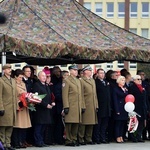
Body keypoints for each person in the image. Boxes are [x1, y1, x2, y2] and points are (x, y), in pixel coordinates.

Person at [62, 65, 83, 146]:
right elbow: (65, 95)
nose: (76, 71)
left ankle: (74, 139)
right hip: (71, 105)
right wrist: (66, 106)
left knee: (76, 123)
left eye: (76, 70)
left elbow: (80, 94)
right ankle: (68, 140)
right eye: (74, 70)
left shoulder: (78, 81)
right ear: (70, 71)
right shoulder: (66, 81)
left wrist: (81, 105)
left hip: (77, 106)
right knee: (69, 124)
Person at [32, 71, 54, 147]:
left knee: (44, 126)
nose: (44, 77)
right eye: (42, 76)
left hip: (46, 109)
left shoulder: (46, 85)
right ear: (38, 77)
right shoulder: (36, 85)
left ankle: (41, 141)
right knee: (39, 126)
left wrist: (51, 103)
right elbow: (36, 98)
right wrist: (45, 105)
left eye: (45, 76)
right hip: (40, 109)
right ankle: (38, 141)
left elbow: (48, 96)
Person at [78, 65, 98, 145]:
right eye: (89, 70)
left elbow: (94, 94)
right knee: (83, 123)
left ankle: (88, 138)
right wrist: (82, 105)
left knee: (91, 123)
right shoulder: (81, 80)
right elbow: (81, 94)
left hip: (92, 104)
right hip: (86, 104)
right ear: (85, 71)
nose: (91, 71)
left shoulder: (92, 80)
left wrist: (96, 105)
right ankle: (81, 138)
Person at [11, 69, 31, 148]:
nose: (21, 79)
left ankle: (21, 141)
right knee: (17, 126)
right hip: (18, 106)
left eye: (22, 77)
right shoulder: (13, 84)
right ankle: (16, 142)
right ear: (15, 77)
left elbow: (26, 93)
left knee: (23, 126)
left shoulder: (23, 83)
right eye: (19, 77)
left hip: (24, 106)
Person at [0, 64, 17, 150]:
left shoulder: (13, 81)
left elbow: (15, 95)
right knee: (3, 126)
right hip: (5, 107)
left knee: (10, 126)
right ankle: (2, 144)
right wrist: (1, 107)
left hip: (12, 107)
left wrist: (16, 106)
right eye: (8, 69)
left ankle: (8, 144)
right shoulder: (1, 80)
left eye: (10, 68)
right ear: (4, 70)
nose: (10, 70)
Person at [93, 69, 111, 144]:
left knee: (104, 124)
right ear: (97, 74)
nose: (102, 75)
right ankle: (97, 138)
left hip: (107, 106)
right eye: (100, 73)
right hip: (100, 105)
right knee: (98, 123)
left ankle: (103, 137)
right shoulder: (96, 82)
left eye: (103, 73)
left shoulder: (106, 82)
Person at [128, 75, 147, 142]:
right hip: (136, 107)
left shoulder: (142, 88)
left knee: (141, 123)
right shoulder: (132, 87)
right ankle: (133, 137)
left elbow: (145, 98)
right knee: (135, 122)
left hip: (142, 107)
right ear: (134, 80)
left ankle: (139, 136)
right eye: (138, 79)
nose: (140, 81)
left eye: (140, 79)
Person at [112, 76, 128, 143]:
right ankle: (117, 136)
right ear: (118, 81)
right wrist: (117, 110)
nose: (123, 81)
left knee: (122, 123)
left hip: (124, 108)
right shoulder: (116, 89)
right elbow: (115, 100)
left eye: (124, 80)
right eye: (122, 80)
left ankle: (121, 136)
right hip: (119, 107)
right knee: (118, 123)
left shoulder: (125, 88)